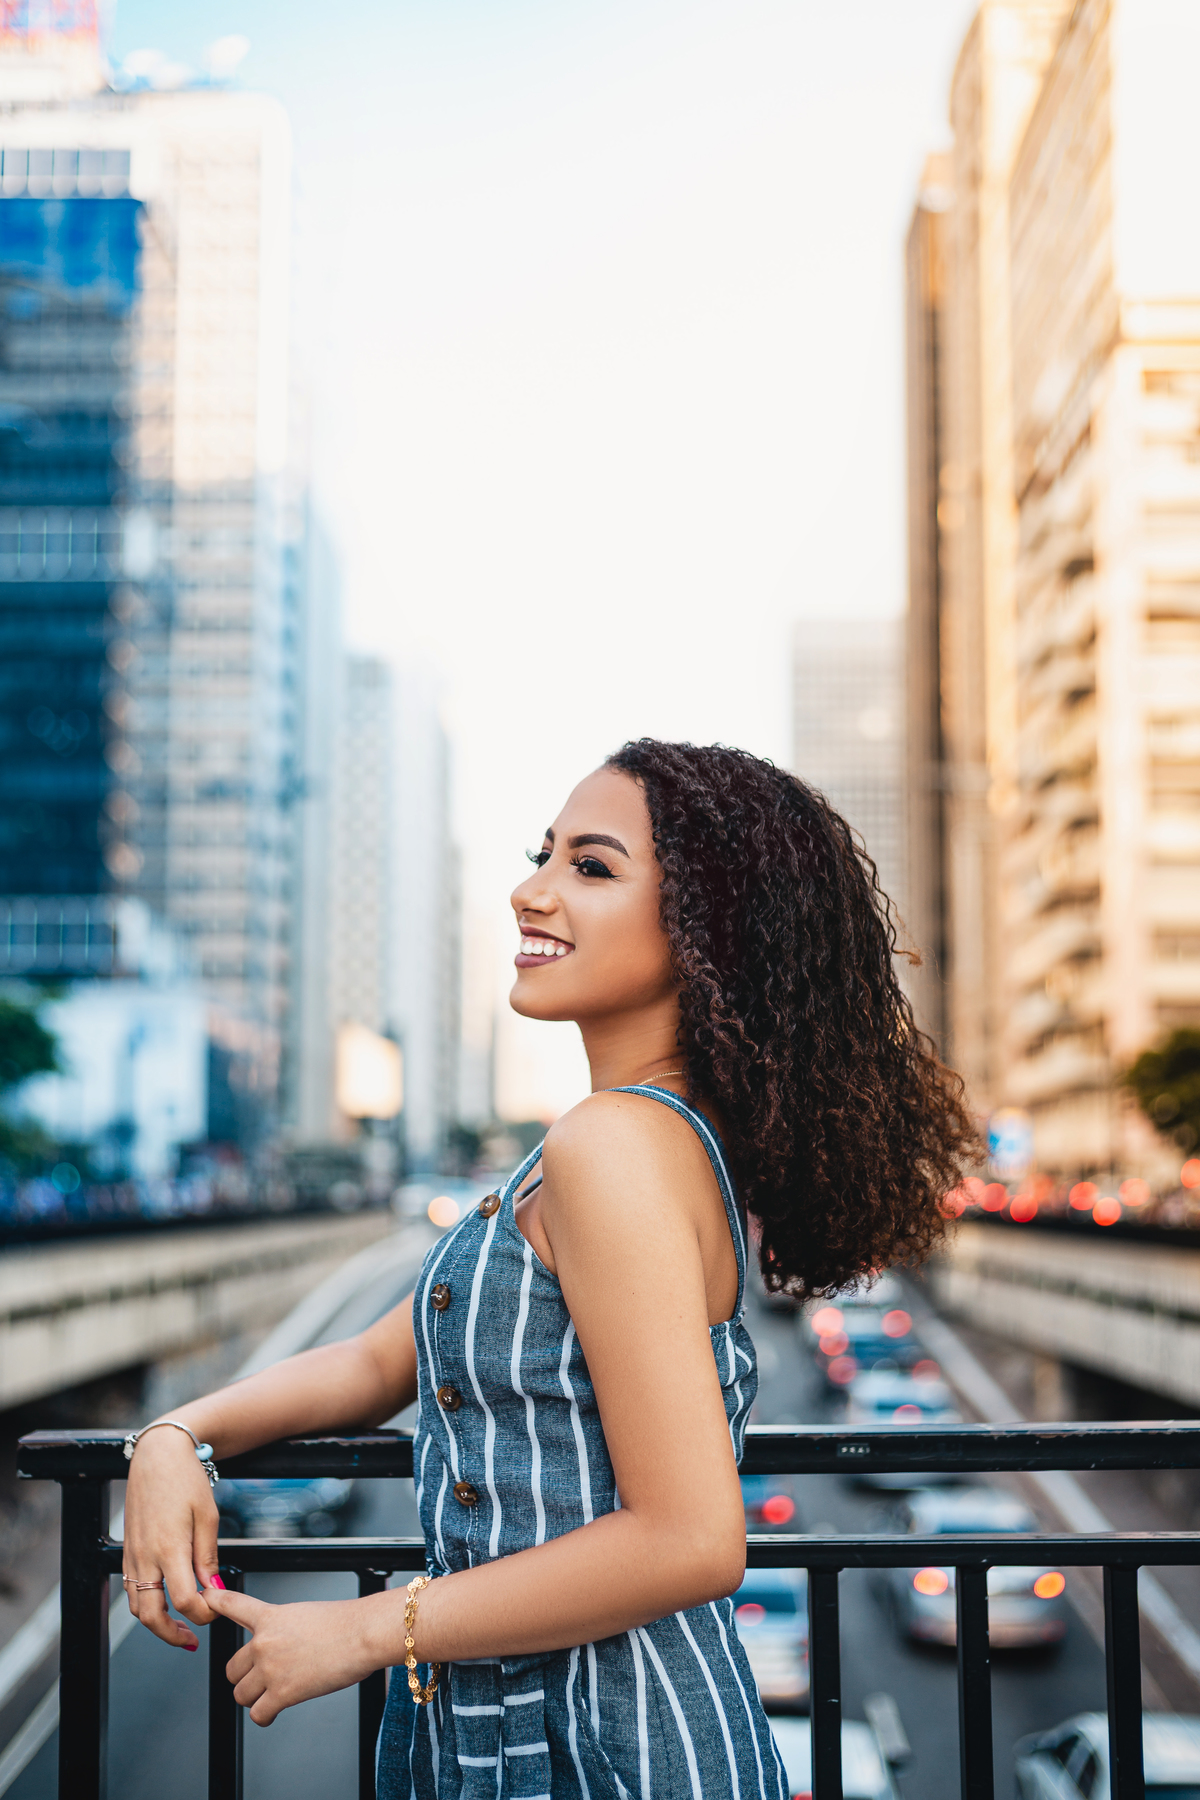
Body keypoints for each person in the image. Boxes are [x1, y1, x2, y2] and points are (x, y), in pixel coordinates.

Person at [121, 738, 975, 1797]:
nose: (531, 893)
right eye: (545, 856)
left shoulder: (613, 1146)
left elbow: (691, 1540)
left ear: (703, 928)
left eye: (593, 867)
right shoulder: (595, 1143)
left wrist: (366, 1630)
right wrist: (173, 1436)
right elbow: (381, 1359)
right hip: (540, 1726)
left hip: (605, 1742)